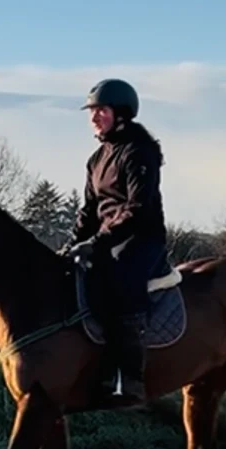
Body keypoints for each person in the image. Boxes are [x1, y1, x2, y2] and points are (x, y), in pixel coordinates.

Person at [61, 78, 169, 405]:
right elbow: (89, 210)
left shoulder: (139, 151)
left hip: (140, 237)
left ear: (120, 114)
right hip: (107, 238)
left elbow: (137, 208)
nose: (94, 117)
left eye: (101, 111)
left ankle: (132, 380)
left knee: (120, 281)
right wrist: (72, 245)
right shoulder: (96, 160)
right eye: (92, 111)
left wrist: (97, 242)